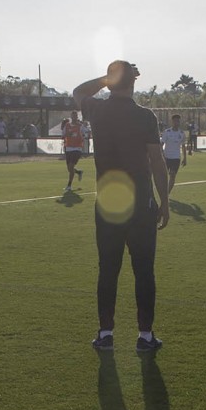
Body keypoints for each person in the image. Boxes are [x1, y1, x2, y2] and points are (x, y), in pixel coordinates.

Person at [72, 60, 170, 352]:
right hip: (140, 201)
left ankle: (105, 334)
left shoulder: (98, 110)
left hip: (108, 202)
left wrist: (106, 79)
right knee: (144, 270)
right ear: (134, 82)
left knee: (108, 269)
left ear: (112, 80)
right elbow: (156, 161)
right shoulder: (145, 116)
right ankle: (145, 337)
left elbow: (78, 91)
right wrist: (164, 201)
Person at [160, 113, 188, 192]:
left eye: (178, 121)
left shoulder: (182, 134)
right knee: (164, 176)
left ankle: (167, 193)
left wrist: (185, 158)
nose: (176, 123)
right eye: (175, 121)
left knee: (172, 175)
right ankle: (163, 191)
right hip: (166, 157)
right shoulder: (167, 132)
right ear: (172, 122)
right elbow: (161, 144)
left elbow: (183, 146)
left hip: (176, 158)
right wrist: (161, 154)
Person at [61, 108, 87, 190]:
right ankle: (79, 172)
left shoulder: (80, 126)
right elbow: (63, 135)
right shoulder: (67, 125)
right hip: (68, 148)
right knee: (69, 169)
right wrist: (67, 134)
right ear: (71, 117)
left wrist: (83, 136)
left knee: (71, 166)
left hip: (77, 148)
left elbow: (86, 133)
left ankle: (69, 186)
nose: (74, 117)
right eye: (73, 115)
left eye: (75, 116)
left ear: (77, 117)